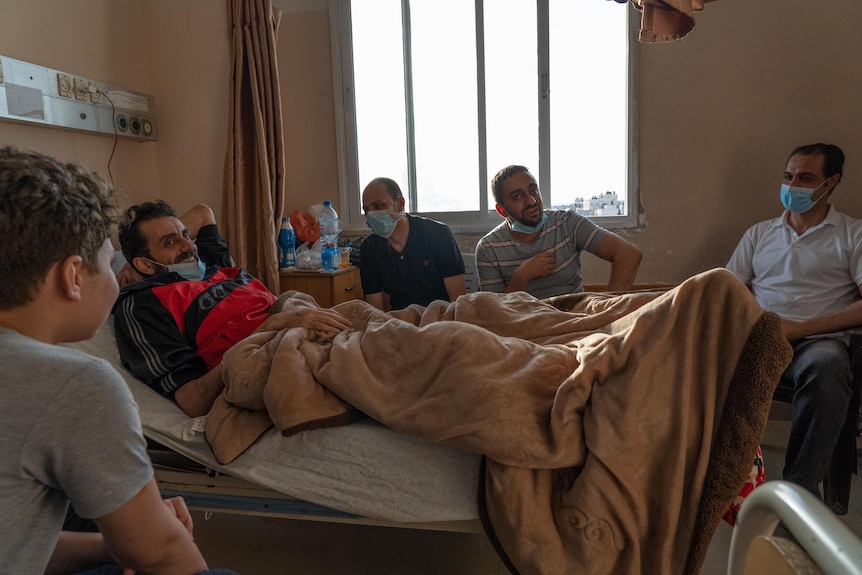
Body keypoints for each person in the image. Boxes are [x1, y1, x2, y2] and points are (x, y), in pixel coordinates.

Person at [0, 146, 236, 575]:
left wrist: (113, 546)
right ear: (73, 277)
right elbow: (163, 552)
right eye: (109, 262)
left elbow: (19, 539)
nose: (117, 276)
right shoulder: (76, 384)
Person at [114, 200, 352, 417]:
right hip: (273, 350)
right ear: (144, 263)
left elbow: (203, 212)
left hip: (305, 323)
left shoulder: (213, 264)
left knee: (368, 321)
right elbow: (193, 400)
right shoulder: (143, 303)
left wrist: (149, 251)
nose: (189, 246)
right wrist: (271, 326)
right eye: (170, 242)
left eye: (186, 235)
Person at [726, 142, 862, 499]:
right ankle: (719, 481)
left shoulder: (853, 235)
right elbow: (728, 291)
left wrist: (800, 329)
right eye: (788, 177)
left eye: (805, 178)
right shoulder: (759, 234)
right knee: (702, 362)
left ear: (831, 182)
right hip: (762, 337)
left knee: (829, 367)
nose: (793, 186)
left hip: (819, 342)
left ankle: (798, 495)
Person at [475, 165, 643, 298]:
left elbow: (629, 255)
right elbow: (495, 312)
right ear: (502, 210)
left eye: (533, 190)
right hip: (523, 325)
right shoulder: (488, 248)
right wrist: (521, 277)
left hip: (573, 318)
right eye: (517, 197)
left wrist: (607, 311)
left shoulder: (567, 222)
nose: (532, 201)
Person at [359, 177, 467, 310]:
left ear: (400, 204)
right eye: (366, 210)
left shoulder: (438, 235)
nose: (371, 214)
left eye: (378, 206)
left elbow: (457, 301)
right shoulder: (369, 248)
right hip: (399, 322)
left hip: (440, 317)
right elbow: (375, 310)